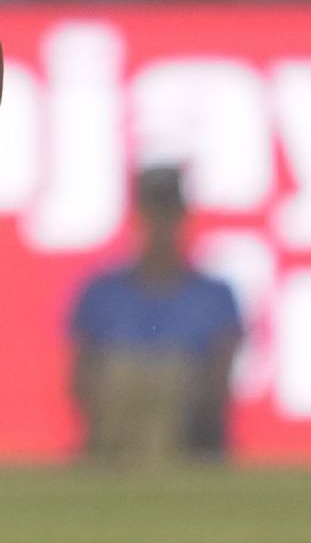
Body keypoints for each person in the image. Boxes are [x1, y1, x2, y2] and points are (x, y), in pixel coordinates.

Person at [69, 165, 244, 466]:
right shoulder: (102, 293)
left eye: (169, 214)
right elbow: (80, 382)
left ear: (182, 217)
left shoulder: (214, 296)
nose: (161, 225)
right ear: (140, 217)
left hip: (191, 442)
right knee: (123, 376)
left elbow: (218, 387)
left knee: (169, 377)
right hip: (115, 445)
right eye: (154, 214)